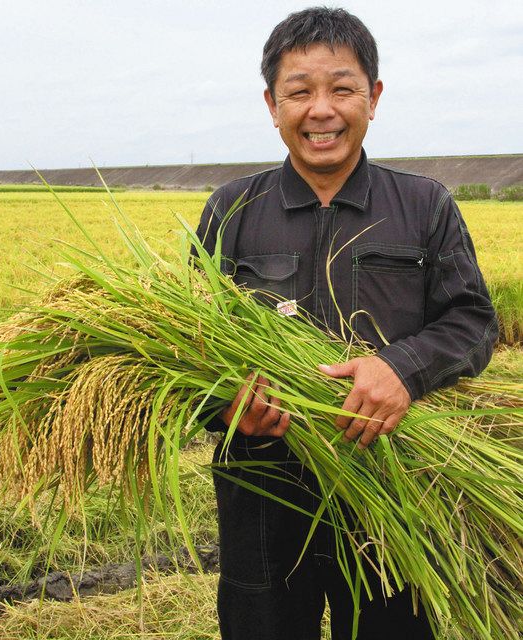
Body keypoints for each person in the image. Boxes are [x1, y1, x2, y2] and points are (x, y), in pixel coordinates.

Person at [194, 7, 497, 640]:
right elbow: (189, 346)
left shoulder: (424, 205)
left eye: (341, 88)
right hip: (264, 492)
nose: (320, 109)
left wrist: (402, 371)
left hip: (396, 486)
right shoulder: (233, 209)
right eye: (299, 91)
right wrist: (226, 404)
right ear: (272, 105)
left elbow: (471, 322)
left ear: (374, 97)